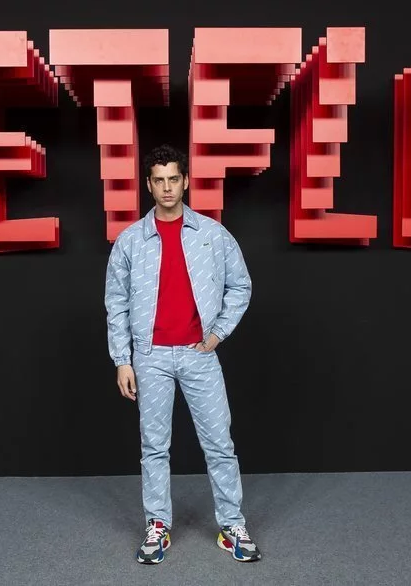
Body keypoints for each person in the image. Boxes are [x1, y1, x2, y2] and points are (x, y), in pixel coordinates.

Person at [104, 144, 261, 564]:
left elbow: (241, 285)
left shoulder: (212, 234)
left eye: (174, 178)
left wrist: (218, 333)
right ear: (149, 185)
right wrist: (122, 359)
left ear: (186, 181)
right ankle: (158, 525)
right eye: (159, 180)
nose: (167, 187)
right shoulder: (130, 241)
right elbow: (115, 303)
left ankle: (232, 525)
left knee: (220, 444)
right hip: (150, 356)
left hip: (199, 355)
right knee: (154, 447)